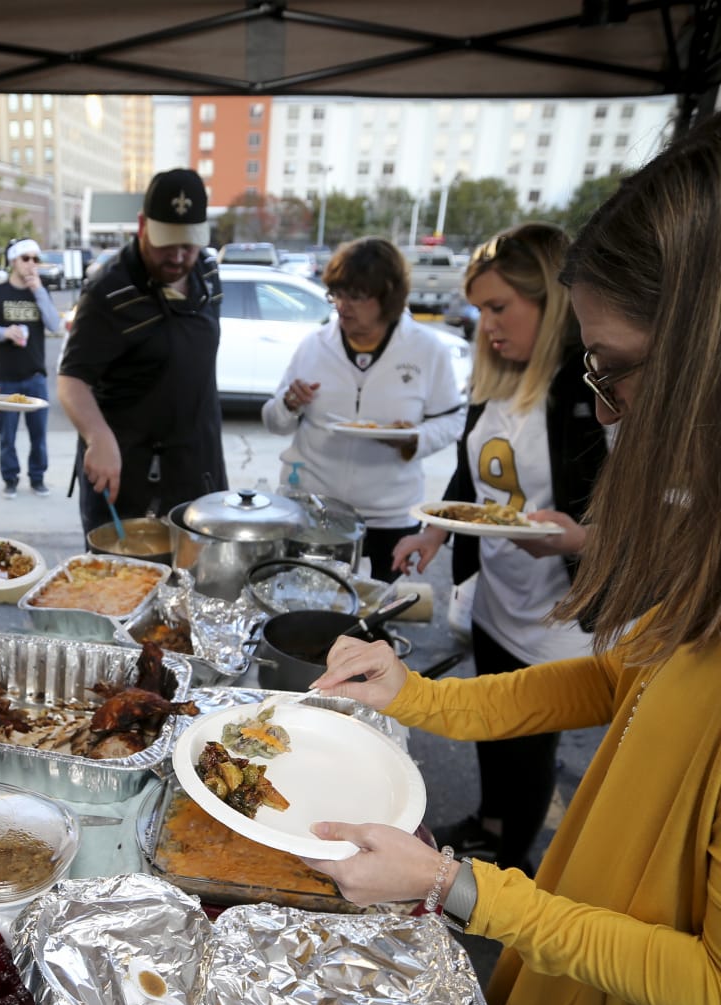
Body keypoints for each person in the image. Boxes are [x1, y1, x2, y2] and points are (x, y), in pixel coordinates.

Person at [306, 112, 721, 1005]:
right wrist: (415, 695)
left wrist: (459, 887)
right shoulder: (705, 573)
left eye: (614, 372)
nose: (607, 410)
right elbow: (600, 685)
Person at [392, 223, 609, 871]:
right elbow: (468, 481)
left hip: (560, 615)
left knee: (528, 746)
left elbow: (640, 516)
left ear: (549, 300)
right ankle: (488, 821)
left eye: (499, 308)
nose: (485, 324)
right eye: (479, 309)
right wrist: (432, 532)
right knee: (490, 726)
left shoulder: (588, 390)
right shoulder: (496, 382)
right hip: (497, 593)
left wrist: (577, 540)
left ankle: (511, 863)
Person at [261, 237, 465, 582]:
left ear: (387, 298)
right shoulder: (314, 345)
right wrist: (289, 404)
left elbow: (454, 419)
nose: (342, 306)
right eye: (337, 294)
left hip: (390, 516)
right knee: (308, 607)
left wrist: (414, 438)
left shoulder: (426, 349)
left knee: (371, 619)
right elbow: (273, 420)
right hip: (314, 510)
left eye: (355, 296)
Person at [58, 168, 226, 539]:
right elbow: (72, 380)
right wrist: (98, 437)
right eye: (166, 243)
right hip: (130, 477)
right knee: (124, 589)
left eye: (189, 244)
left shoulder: (209, 273)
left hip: (199, 468)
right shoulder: (109, 292)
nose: (179, 257)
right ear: (142, 225)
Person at [0, 237, 60, 498]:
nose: (31, 265)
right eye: (26, 259)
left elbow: (54, 324)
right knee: (7, 435)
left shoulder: (40, 289)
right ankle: (10, 479)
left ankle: (37, 478)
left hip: (35, 375)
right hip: (8, 377)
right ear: (14, 260)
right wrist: (5, 333)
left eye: (36, 259)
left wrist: (38, 290)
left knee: (39, 435)